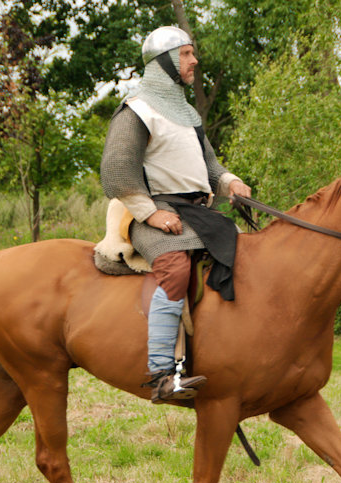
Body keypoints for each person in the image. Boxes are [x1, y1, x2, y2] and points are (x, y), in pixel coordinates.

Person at [100, 25, 252, 404]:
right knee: (175, 267)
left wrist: (230, 182)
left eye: (191, 53)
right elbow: (117, 172)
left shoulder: (186, 114)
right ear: (163, 62)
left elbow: (210, 167)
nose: (194, 60)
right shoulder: (137, 110)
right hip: (154, 213)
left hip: (197, 212)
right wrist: (150, 214)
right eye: (185, 54)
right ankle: (162, 374)